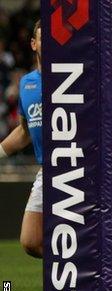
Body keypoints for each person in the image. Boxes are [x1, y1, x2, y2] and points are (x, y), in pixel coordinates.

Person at [0, 20, 43, 258]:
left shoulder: (74, 78)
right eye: (43, 38)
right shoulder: (27, 83)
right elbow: (25, 131)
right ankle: (85, 269)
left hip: (77, 168)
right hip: (47, 170)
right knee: (30, 241)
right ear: (33, 44)